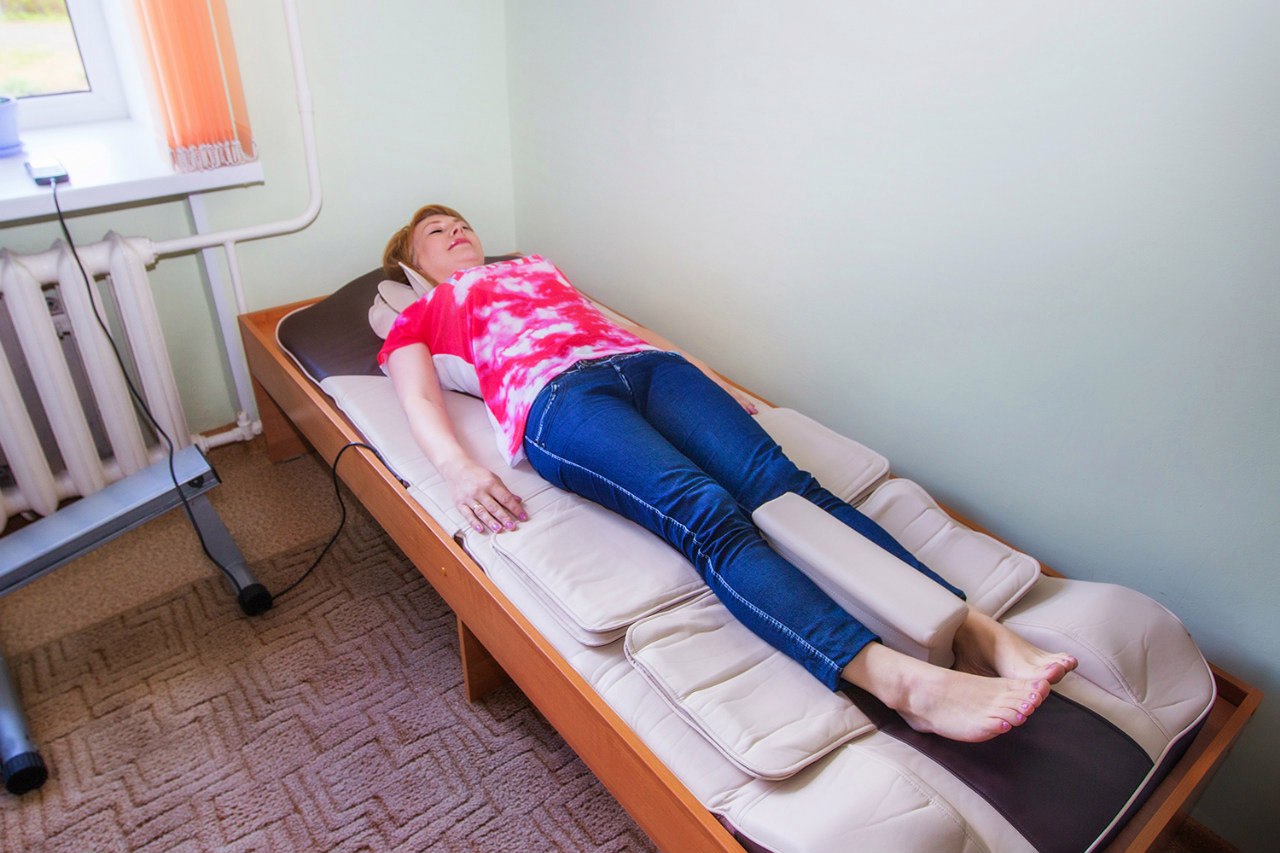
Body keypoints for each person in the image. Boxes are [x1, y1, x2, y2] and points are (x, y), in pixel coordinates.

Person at [380, 204, 1078, 743]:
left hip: (651, 369)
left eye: (460, 222)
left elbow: (628, 330)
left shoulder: (536, 267)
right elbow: (418, 398)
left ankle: (975, 629)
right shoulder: (424, 310)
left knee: (787, 487)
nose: (456, 230)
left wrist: (709, 377)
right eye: (435, 231)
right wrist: (457, 468)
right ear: (415, 264)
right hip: (559, 399)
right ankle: (900, 683)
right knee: (706, 511)